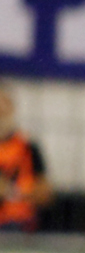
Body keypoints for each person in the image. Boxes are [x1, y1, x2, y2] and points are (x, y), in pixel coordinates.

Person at [0, 83, 53, 232]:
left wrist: (13, 192)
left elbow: (45, 195)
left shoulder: (28, 147)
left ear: (11, 108)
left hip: (18, 224)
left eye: (3, 105)